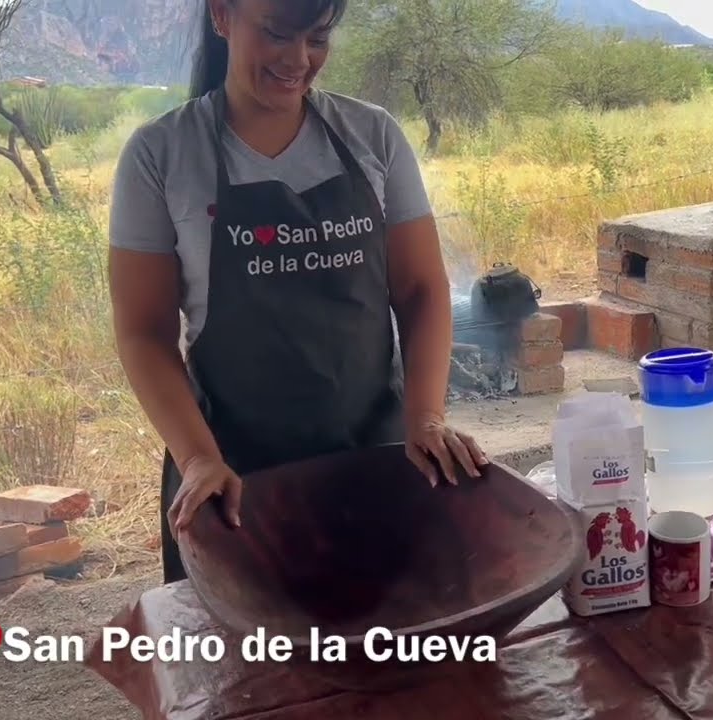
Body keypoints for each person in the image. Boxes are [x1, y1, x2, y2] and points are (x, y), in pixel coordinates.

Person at [107, 0, 488, 584]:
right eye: (278, 33)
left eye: (318, 37)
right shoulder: (162, 155)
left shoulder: (373, 136)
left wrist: (427, 417)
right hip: (234, 485)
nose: (298, 59)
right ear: (222, 16)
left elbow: (420, 290)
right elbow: (144, 331)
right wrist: (197, 457)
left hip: (378, 463)